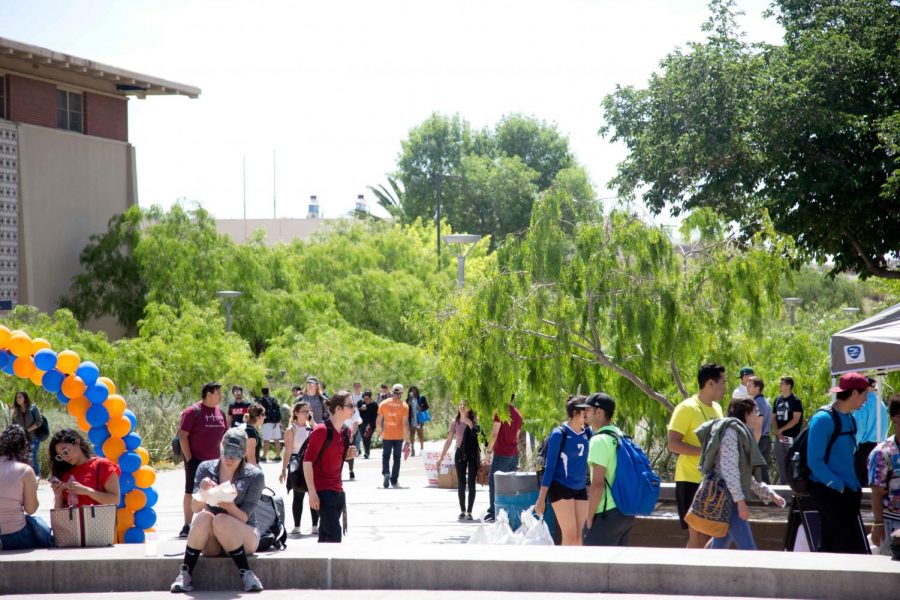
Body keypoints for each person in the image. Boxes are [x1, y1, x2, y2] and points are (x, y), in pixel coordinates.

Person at [170, 428, 265, 593]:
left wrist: (229, 505)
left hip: (245, 534)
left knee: (221, 519)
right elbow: (195, 508)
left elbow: (244, 517)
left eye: (234, 455)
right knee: (204, 517)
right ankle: (185, 573)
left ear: (243, 453)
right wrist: (203, 492)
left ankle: (246, 573)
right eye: (226, 453)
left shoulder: (254, 475)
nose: (229, 458)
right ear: (220, 447)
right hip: (212, 540)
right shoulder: (205, 468)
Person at [696, 397, 786, 550]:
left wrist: (769, 494)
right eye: (755, 411)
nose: (758, 415)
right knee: (748, 549)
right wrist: (740, 502)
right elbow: (729, 470)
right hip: (728, 498)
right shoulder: (732, 433)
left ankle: (706, 570)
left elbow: (743, 474)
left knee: (719, 544)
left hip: (728, 497)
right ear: (746, 412)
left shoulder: (739, 433)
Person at [808, 372, 869, 554]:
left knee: (845, 547)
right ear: (854, 394)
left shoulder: (849, 417)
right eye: (865, 393)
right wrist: (838, 485)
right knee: (838, 546)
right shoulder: (823, 419)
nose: (867, 398)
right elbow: (814, 461)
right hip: (830, 492)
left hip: (848, 492)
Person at [667, 363, 725, 549]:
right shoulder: (687, 408)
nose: (725, 387)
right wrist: (704, 451)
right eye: (723, 382)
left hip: (712, 482)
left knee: (710, 537)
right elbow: (673, 444)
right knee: (698, 537)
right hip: (690, 480)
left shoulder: (717, 408)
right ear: (710, 384)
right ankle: (690, 576)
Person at [535, 397, 591, 546]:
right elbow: (550, 468)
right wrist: (541, 499)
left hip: (580, 488)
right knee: (570, 535)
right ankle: (565, 569)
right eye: (584, 409)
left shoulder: (588, 434)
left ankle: (578, 568)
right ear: (575, 412)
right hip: (561, 487)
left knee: (581, 537)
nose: (588, 412)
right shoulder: (559, 434)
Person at [303, 391, 357, 543]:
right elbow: (307, 462)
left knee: (326, 534)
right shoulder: (321, 430)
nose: (354, 409)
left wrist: (348, 455)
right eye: (350, 405)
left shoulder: (346, 432)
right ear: (338, 408)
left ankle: (319, 566)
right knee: (335, 534)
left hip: (338, 491)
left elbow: (335, 457)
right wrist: (312, 492)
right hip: (322, 491)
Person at [582, 393, 636, 546]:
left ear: (599, 412)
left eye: (587, 409)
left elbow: (598, 485)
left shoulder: (598, 440)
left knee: (594, 566)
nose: (584, 413)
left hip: (606, 513)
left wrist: (589, 517)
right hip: (625, 512)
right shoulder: (620, 435)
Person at [177, 382, 228, 538]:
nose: (221, 396)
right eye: (218, 393)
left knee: (216, 492)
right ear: (209, 394)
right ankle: (187, 525)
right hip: (196, 459)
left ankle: (215, 524)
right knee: (191, 492)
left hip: (216, 462)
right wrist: (189, 459)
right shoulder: (193, 411)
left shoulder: (221, 413)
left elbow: (224, 436)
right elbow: (182, 435)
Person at [0, 425, 53, 550]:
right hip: (15, 535)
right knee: (37, 522)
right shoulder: (25, 470)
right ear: (24, 446)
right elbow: (31, 509)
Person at [49, 429, 121, 508]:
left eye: (65, 452)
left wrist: (87, 491)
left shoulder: (103, 466)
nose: (65, 457)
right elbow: (59, 514)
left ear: (77, 442)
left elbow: (115, 500)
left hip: (97, 519)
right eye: (60, 456)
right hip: (72, 520)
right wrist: (58, 495)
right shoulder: (65, 473)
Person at [437, 401, 481, 520]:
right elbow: (449, 440)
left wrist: (470, 424)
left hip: (472, 454)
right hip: (460, 453)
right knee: (461, 483)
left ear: (469, 408)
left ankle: (470, 512)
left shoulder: (474, 421)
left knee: (471, 483)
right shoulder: (454, 422)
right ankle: (462, 510)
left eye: (464, 405)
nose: (461, 407)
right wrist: (441, 457)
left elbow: (477, 437)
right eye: (460, 405)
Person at [868, 394, 900, 556]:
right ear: (896, 419)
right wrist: (878, 523)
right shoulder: (883, 453)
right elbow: (876, 492)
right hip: (892, 524)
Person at [280, 401, 317, 536]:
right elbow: (288, 451)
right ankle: (297, 526)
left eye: (309, 411)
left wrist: (312, 423)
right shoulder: (292, 429)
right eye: (304, 412)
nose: (307, 414)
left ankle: (315, 525)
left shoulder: (312, 427)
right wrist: (284, 469)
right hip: (297, 464)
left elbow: (321, 437)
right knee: (298, 495)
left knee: (313, 494)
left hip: (311, 463)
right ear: (296, 413)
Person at [485, 394, 522, 522]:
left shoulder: (501, 413)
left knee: (494, 482)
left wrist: (488, 451)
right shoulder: (518, 415)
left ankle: (493, 512)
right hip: (513, 454)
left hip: (501, 454)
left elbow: (494, 434)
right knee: (509, 484)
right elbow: (516, 436)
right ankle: (507, 512)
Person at [854, 376, 889, 488]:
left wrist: (853, 447)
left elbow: (859, 428)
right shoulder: (882, 404)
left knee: (860, 486)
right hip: (880, 448)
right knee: (875, 485)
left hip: (864, 449)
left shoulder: (863, 403)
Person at [772, 376, 804, 484]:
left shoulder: (796, 401)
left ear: (788, 386)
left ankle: (793, 487)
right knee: (781, 464)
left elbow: (795, 420)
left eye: (782, 384)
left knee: (792, 463)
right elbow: (773, 417)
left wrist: (781, 430)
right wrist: (777, 431)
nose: (780, 386)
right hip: (779, 438)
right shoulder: (777, 400)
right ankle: (783, 486)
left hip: (792, 437)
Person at [378, 383, 409, 488]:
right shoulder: (404, 405)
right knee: (397, 458)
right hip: (398, 436)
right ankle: (394, 479)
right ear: (401, 393)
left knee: (385, 456)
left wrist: (379, 430)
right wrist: (407, 439)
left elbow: (378, 420)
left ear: (392, 391)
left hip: (387, 435)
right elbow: (405, 424)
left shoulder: (384, 403)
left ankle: (386, 472)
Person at [10, 391, 43, 479]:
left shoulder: (33, 408)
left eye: (20, 397)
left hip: (34, 437)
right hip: (22, 439)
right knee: (22, 457)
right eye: (17, 397)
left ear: (25, 398)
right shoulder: (15, 412)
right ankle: (25, 477)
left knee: (32, 456)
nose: (18, 399)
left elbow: (39, 421)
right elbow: (14, 426)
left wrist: (28, 430)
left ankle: (37, 476)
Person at [746, 376, 773, 484]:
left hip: (759, 439)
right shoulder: (766, 402)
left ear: (757, 388)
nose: (747, 387)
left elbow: (758, 425)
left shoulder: (755, 403)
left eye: (750, 385)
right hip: (766, 439)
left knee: (758, 472)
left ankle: (765, 498)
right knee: (763, 470)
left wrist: (754, 445)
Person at [257, 388, 282, 463]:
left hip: (267, 422)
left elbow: (260, 411)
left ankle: (264, 456)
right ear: (268, 392)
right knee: (276, 440)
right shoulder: (274, 399)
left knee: (266, 440)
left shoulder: (261, 400)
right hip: (276, 421)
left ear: (262, 392)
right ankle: (278, 456)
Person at [357, 390, 378, 459]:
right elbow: (355, 412)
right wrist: (361, 409)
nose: (366, 400)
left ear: (370, 398)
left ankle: (367, 452)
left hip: (371, 424)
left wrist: (371, 424)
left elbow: (376, 416)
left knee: (367, 436)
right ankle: (366, 451)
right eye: (364, 398)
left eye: (367, 399)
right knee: (364, 437)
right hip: (361, 424)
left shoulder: (375, 405)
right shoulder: (360, 403)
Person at [406, 386, 426, 456]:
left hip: (419, 420)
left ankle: (422, 449)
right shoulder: (408, 399)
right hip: (411, 420)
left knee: (420, 434)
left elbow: (426, 406)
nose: (413, 392)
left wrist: (420, 407)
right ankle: (412, 449)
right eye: (411, 390)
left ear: (417, 391)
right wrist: (409, 401)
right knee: (412, 434)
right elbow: (406, 408)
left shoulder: (421, 398)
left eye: (414, 390)